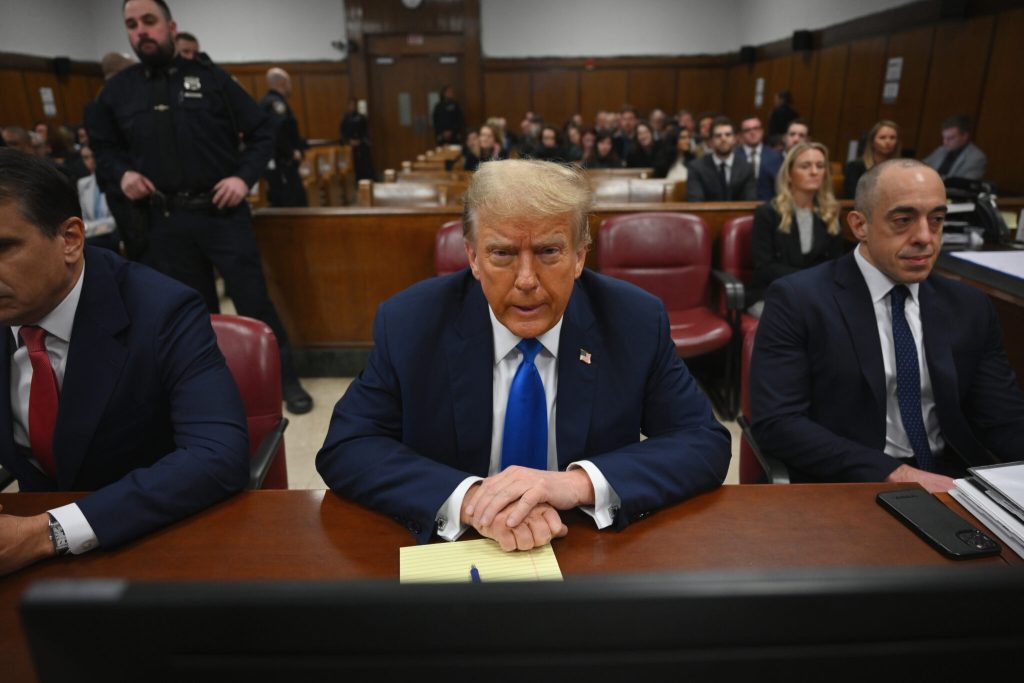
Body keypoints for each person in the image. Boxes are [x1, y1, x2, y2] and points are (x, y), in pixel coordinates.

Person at [316, 159, 730, 550]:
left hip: (585, 548)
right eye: (503, 254)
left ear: (580, 256)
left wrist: (575, 484)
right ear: (473, 258)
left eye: (549, 252)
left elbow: (702, 442)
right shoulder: (411, 322)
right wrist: (471, 499)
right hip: (458, 553)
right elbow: (349, 445)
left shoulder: (633, 321)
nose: (527, 280)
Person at [0, 148, 249, 576]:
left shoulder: (163, 309)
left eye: (3, 247)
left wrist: (50, 532)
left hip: (147, 545)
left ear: (70, 240)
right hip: (26, 555)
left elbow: (216, 455)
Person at [88, 0, 313, 414]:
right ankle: (210, 392)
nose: (141, 31)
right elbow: (102, 146)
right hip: (163, 220)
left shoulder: (209, 79)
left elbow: (263, 131)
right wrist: (121, 174)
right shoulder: (119, 91)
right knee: (190, 313)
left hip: (221, 213)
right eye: (132, 25)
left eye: (149, 22)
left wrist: (243, 178)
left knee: (253, 301)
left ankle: (287, 382)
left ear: (170, 27)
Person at [749, 159, 1024, 491]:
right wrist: (897, 474)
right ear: (860, 225)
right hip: (849, 479)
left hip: (953, 478)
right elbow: (779, 423)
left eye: (936, 220)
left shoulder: (970, 306)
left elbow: (1003, 419)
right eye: (903, 220)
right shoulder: (799, 300)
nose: (925, 237)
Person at [749, 142, 845, 316]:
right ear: (789, 174)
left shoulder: (831, 213)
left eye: (820, 166)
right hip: (775, 293)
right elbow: (765, 267)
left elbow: (835, 263)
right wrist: (810, 282)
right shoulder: (768, 213)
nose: (815, 172)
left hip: (818, 294)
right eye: (805, 166)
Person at [259, 67, 308, 207]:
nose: (290, 87)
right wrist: (291, 152)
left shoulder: (264, 102)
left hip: (275, 164)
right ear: (283, 82)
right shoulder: (276, 104)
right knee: (293, 205)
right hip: (282, 165)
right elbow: (278, 131)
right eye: (290, 83)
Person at [686, 117, 756, 201]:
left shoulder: (746, 168)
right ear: (711, 141)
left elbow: (750, 202)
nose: (723, 139)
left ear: (734, 139)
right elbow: (696, 202)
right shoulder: (696, 167)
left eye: (728, 135)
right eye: (718, 136)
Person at [75, 145, 120, 252]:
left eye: (93, 156)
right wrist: (97, 228)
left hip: (114, 235)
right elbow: (82, 219)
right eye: (86, 157)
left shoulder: (116, 181)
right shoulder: (82, 183)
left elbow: (118, 218)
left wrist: (90, 228)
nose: (90, 161)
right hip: (93, 236)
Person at [843, 120, 900, 199]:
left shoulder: (900, 168)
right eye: (882, 138)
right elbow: (851, 196)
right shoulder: (855, 166)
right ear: (872, 142)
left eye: (892, 138)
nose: (888, 142)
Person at [922, 115, 987, 181]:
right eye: (944, 138)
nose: (945, 142)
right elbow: (921, 166)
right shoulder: (942, 150)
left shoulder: (977, 158)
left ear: (965, 136)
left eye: (950, 138)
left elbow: (964, 185)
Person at [736, 115, 783, 201]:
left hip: (768, 204)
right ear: (741, 135)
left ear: (762, 131)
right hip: (739, 205)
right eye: (747, 130)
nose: (752, 132)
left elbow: (780, 185)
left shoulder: (775, 156)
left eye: (756, 128)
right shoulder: (734, 155)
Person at [339, 98, 374, 181]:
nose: (352, 107)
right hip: (350, 145)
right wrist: (348, 141)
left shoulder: (362, 118)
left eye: (354, 105)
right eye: (351, 105)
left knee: (365, 163)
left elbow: (365, 131)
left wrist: (360, 140)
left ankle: (368, 179)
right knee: (353, 164)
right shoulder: (345, 118)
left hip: (361, 144)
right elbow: (343, 132)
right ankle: (355, 181)